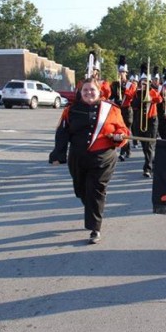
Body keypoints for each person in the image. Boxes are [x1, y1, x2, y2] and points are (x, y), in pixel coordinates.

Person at [49, 78, 129, 244]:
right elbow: (62, 133)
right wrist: (58, 154)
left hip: (103, 159)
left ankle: (95, 228)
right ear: (80, 92)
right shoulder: (71, 110)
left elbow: (123, 129)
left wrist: (119, 137)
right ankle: (92, 209)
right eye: (85, 90)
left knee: (95, 190)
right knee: (81, 191)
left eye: (92, 90)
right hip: (78, 158)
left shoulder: (111, 109)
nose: (88, 93)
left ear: (99, 91)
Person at [131, 66, 163, 178]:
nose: (144, 84)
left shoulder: (152, 91)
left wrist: (150, 95)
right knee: (145, 146)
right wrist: (141, 95)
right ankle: (152, 163)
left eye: (146, 82)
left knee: (149, 145)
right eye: (143, 82)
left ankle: (147, 168)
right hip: (140, 120)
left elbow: (160, 100)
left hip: (152, 120)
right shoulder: (137, 93)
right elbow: (133, 104)